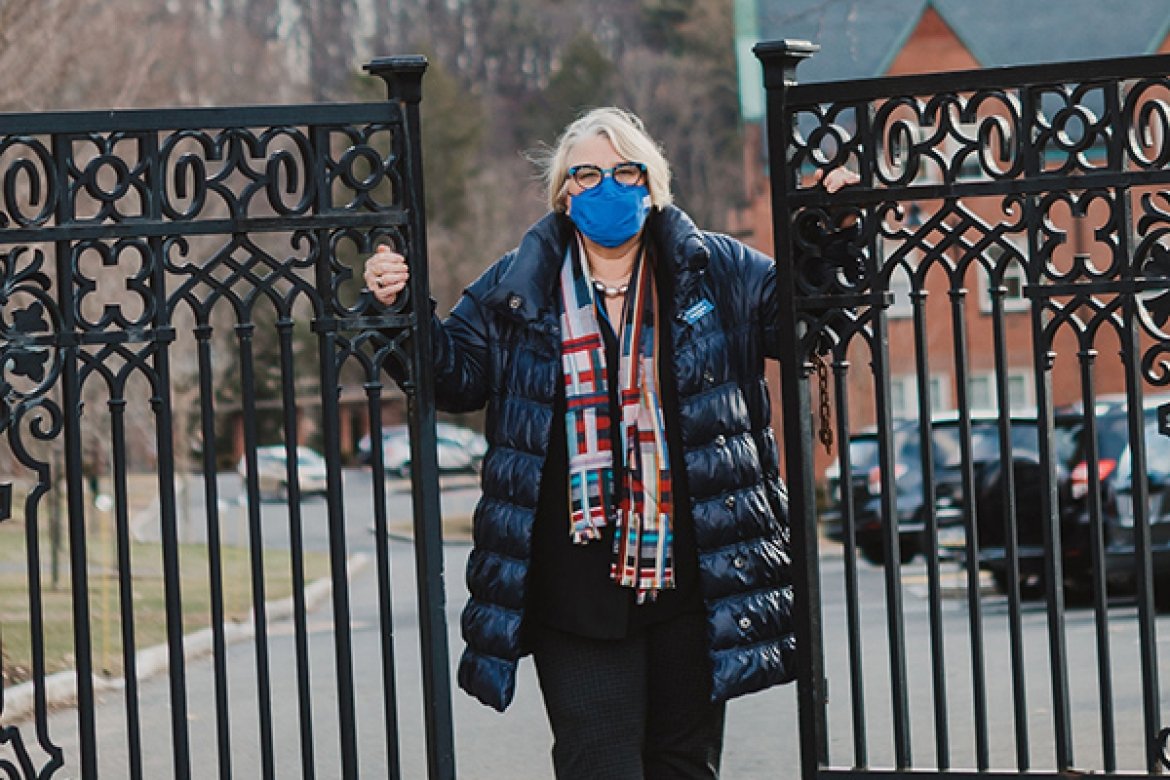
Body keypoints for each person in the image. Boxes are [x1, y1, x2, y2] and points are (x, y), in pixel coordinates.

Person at [365, 107, 857, 779]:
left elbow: (802, 325)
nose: (606, 188)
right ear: (564, 193)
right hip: (573, 586)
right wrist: (397, 312)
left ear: (651, 183)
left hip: (693, 572)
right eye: (587, 173)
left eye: (624, 171)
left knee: (682, 765)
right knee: (598, 762)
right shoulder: (519, 287)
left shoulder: (718, 271)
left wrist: (828, 235)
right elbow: (453, 377)